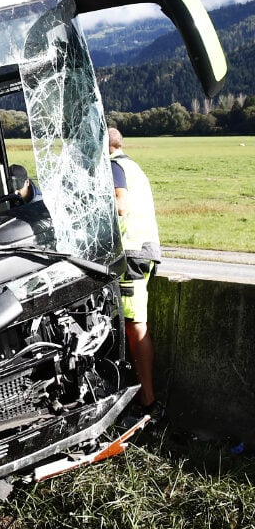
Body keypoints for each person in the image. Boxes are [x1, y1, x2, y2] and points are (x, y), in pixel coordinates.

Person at [108, 127, 162, 417]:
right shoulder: (133, 166)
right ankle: (143, 400)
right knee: (132, 324)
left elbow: (119, 205)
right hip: (143, 251)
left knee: (134, 326)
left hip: (130, 254)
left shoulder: (113, 167)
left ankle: (148, 404)